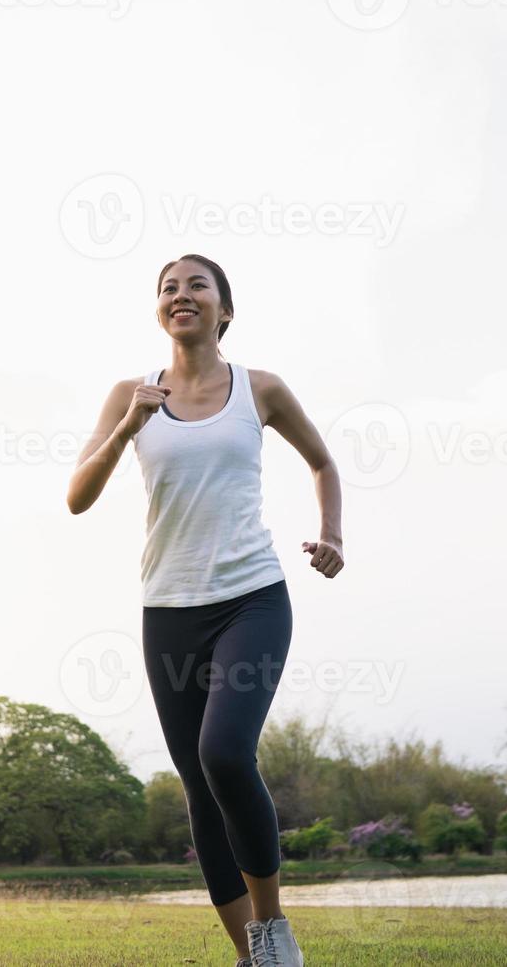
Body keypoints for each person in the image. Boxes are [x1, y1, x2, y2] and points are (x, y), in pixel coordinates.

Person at [67, 254, 345, 966]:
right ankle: (251, 956)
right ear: (159, 312)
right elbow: (77, 495)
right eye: (169, 288)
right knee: (197, 780)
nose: (181, 295)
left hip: (252, 598)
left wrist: (333, 535)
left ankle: (274, 929)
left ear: (224, 311)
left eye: (197, 286)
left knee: (224, 753)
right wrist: (129, 424)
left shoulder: (263, 389)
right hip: (168, 610)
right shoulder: (131, 396)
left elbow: (322, 461)